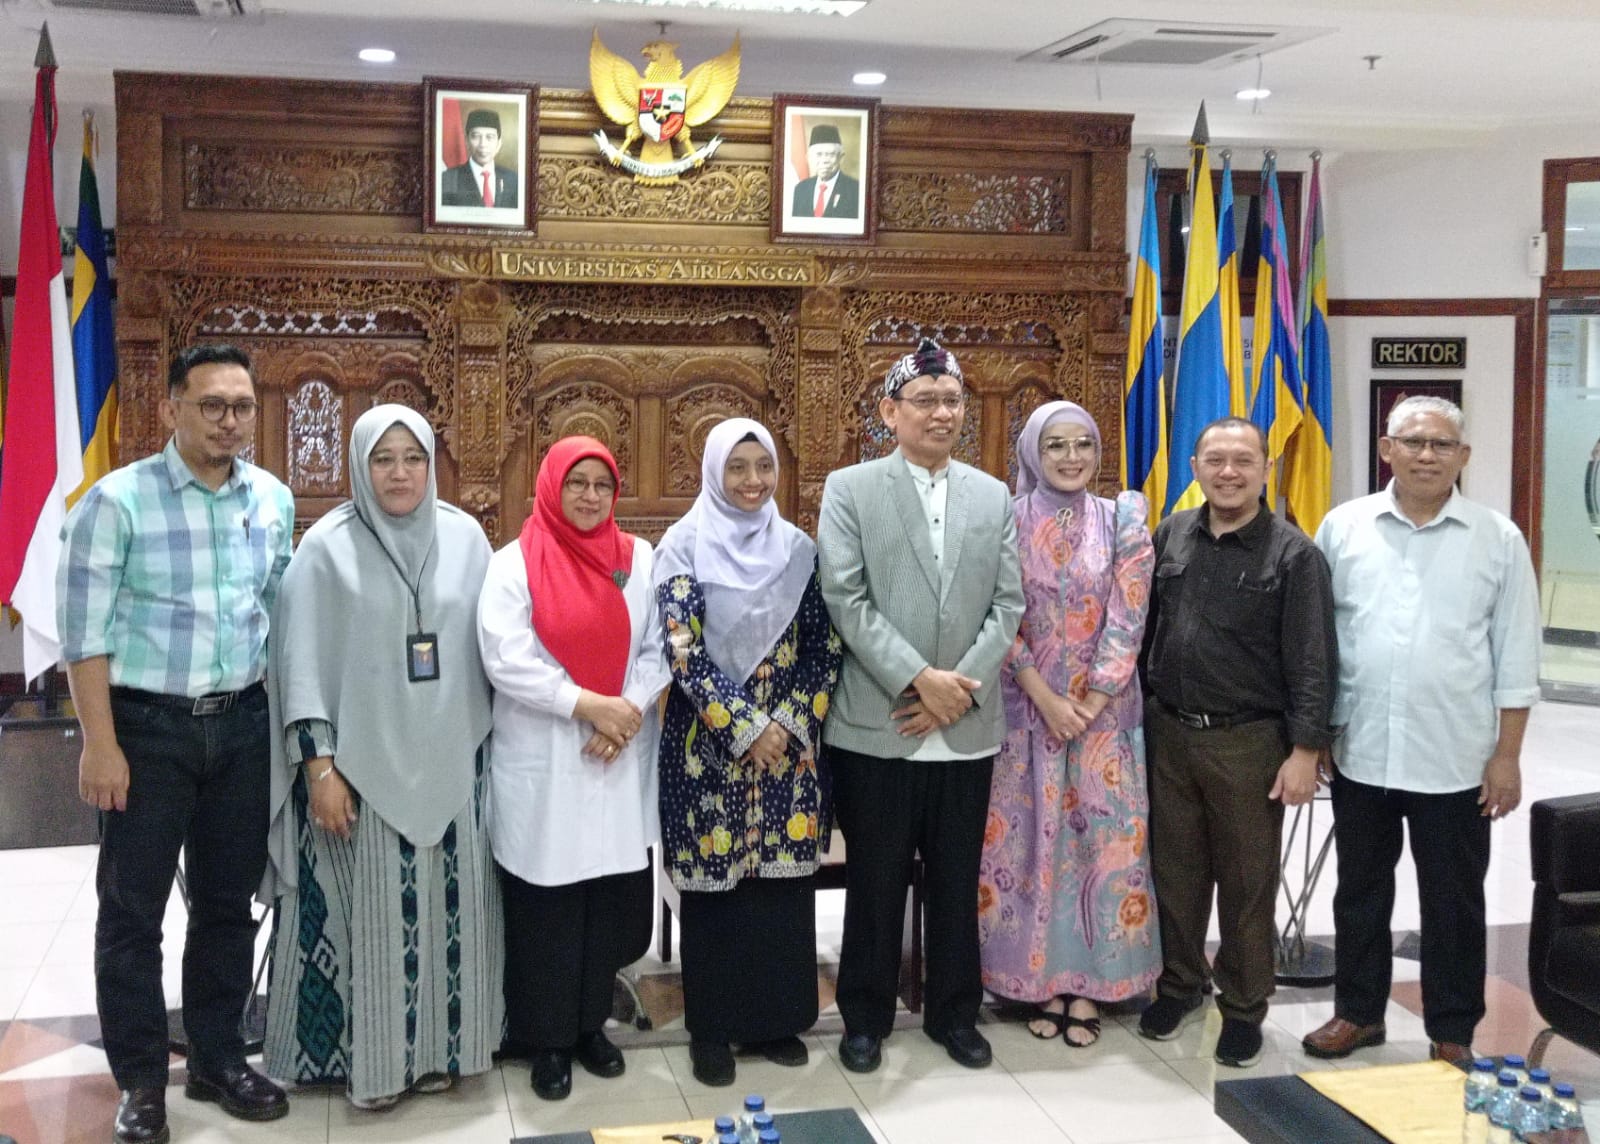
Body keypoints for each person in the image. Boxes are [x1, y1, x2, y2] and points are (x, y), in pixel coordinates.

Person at [56, 343, 294, 1144]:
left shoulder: (271, 499)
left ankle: (222, 1058)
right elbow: (82, 636)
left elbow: (278, 611)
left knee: (230, 906)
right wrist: (100, 744)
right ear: (171, 410)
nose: (229, 421)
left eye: (241, 407)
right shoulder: (116, 503)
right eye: (212, 405)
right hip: (146, 731)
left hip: (241, 725)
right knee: (132, 914)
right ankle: (141, 1083)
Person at [261, 405, 503, 1110]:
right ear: (360, 466)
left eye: (413, 458)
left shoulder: (465, 539)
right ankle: (361, 1064)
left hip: (452, 768)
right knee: (361, 925)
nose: (399, 473)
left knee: (447, 921)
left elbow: (493, 652)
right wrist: (320, 771)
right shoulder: (325, 549)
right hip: (354, 780)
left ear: (432, 463)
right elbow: (299, 664)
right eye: (383, 459)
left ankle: (441, 1053)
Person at [1301, 396, 1540, 1066]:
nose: (1427, 455)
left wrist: (1508, 757)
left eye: (1442, 445)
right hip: (1362, 751)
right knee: (1359, 892)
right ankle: (1357, 1014)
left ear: (1464, 457)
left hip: (1456, 758)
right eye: (1414, 442)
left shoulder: (1498, 539)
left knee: (1454, 902)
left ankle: (1453, 1030)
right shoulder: (1343, 528)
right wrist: (1315, 734)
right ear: (1387, 449)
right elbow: (1319, 644)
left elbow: (1517, 655)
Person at [817, 338, 1025, 1074]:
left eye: (952, 401)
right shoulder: (851, 488)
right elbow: (846, 596)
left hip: (966, 726)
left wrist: (954, 688)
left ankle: (953, 1014)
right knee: (875, 878)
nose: (942, 413)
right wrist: (917, 680)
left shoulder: (993, 494)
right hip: (878, 721)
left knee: (954, 875)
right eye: (926, 400)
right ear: (890, 411)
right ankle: (865, 1018)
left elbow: (1008, 605)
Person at [1136, 417, 1337, 1069]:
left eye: (1242, 460)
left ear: (1265, 468)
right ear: (1193, 465)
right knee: (1177, 872)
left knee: (1247, 882)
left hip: (1250, 741)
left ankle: (1245, 1007)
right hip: (1169, 732)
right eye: (1215, 459)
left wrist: (1306, 750)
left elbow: (1312, 660)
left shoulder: (1294, 554)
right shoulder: (1170, 535)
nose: (1228, 471)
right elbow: (1146, 635)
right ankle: (1180, 985)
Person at [477, 436, 671, 1101]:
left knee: (607, 907)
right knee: (548, 910)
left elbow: (659, 649)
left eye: (601, 485)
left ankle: (592, 1026)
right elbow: (507, 657)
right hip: (547, 761)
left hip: (616, 756)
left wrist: (628, 710)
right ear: (550, 486)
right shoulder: (512, 564)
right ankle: (547, 1041)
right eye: (576, 483)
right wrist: (587, 705)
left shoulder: (638, 560)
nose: (589, 496)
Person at [654, 418, 843, 1087]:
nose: (753, 481)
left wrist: (788, 726)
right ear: (713, 472)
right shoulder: (682, 546)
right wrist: (742, 728)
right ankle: (713, 1028)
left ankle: (775, 1020)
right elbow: (681, 651)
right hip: (708, 753)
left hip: (788, 757)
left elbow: (825, 651)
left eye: (763, 467)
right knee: (717, 892)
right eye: (737, 468)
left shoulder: (798, 550)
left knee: (781, 891)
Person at [979, 401, 1159, 1048]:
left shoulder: (1125, 518)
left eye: (1084, 443)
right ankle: (1038, 981)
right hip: (1024, 714)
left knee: (1100, 854)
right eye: (1056, 445)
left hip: (1105, 723)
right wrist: (1043, 695)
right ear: (1032, 451)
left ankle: (1091, 988)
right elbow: (997, 613)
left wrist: (1093, 696)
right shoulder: (1004, 518)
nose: (1071, 456)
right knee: (1029, 853)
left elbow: (1129, 612)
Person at [439, 107, 518, 207]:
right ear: (467, 141)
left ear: (499, 144)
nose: (483, 144)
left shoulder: (513, 179)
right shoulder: (448, 178)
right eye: (476, 136)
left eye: (489, 137)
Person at [790, 124, 860, 219]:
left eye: (830, 155)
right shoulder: (801, 189)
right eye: (819, 154)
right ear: (808, 158)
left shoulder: (855, 190)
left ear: (841, 158)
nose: (824, 161)